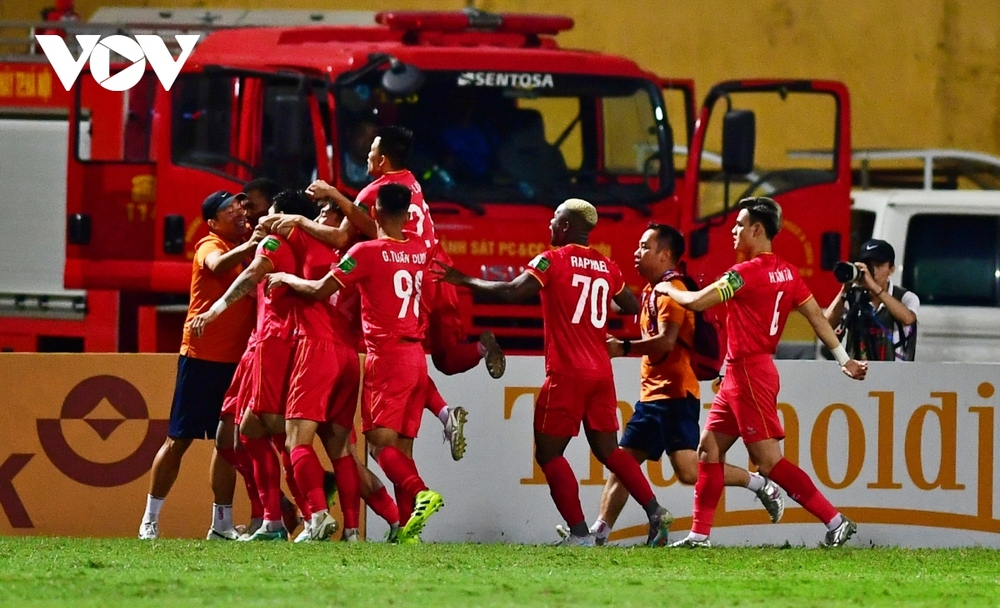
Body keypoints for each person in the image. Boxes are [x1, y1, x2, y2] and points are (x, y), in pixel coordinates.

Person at [434, 198, 675, 547]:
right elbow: (632, 306)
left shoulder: (552, 260)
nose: (549, 226)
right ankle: (655, 510)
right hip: (600, 375)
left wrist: (462, 279)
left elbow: (513, 292)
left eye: (553, 220)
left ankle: (579, 534)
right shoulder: (608, 266)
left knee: (549, 454)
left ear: (565, 227)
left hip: (566, 374)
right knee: (610, 451)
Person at [653, 197, 867, 549]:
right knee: (708, 450)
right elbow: (817, 317)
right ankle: (699, 536)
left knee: (769, 463)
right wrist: (844, 359)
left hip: (750, 373)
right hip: (743, 372)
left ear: (757, 230)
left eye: (739, 225)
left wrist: (667, 288)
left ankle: (835, 520)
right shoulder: (788, 272)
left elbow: (700, 301)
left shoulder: (744, 273)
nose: (733, 231)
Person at [288, 126, 505, 459]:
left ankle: (444, 416)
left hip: (407, 275)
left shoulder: (374, 193)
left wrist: (319, 206)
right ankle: (471, 365)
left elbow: (341, 238)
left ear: (383, 158)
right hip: (437, 268)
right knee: (442, 359)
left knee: (393, 351)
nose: (368, 156)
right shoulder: (411, 182)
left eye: (372, 151)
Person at [267, 183, 445, 544]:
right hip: (413, 355)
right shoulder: (418, 248)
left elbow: (319, 290)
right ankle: (400, 528)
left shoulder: (366, 252)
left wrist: (286, 277)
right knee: (362, 447)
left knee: (378, 447)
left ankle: (416, 493)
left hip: (382, 354)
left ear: (375, 212)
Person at [590, 223, 783, 545]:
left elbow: (667, 342)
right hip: (652, 396)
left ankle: (759, 484)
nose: (637, 254)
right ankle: (599, 532)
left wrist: (622, 348)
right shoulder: (653, 291)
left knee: (690, 472)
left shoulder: (672, 290)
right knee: (623, 464)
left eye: (644, 247)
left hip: (676, 394)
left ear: (665, 255)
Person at [138, 191, 262, 540]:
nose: (238, 210)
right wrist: (252, 243)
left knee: (226, 443)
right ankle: (150, 519)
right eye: (229, 208)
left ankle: (221, 525)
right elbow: (217, 266)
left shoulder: (250, 250)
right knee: (179, 440)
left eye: (240, 205)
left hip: (235, 362)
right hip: (201, 357)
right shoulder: (210, 244)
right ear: (213, 222)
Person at [823, 239, 919, 361]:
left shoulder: (905, 297)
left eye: (879, 266)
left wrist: (875, 288)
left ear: (891, 269)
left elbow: (908, 319)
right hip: (858, 374)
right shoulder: (854, 296)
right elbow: (824, 326)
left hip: (895, 373)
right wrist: (845, 289)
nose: (873, 271)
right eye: (869, 265)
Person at [343, 120, 377, 185]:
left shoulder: (376, 168)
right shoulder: (334, 161)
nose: (367, 143)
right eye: (362, 135)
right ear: (350, 134)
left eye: (371, 138)